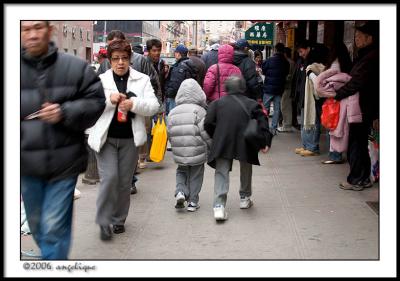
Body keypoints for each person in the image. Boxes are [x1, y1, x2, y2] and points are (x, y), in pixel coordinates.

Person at [21, 21, 106, 259]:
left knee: (54, 229)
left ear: (50, 30)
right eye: (26, 29)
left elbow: (97, 102)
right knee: (37, 226)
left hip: (64, 162)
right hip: (25, 164)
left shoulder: (76, 67)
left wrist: (64, 112)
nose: (33, 35)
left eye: (38, 27)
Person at [88, 39, 159, 241]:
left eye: (124, 58)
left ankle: (118, 220)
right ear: (109, 60)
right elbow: (90, 104)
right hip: (106, 138)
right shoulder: (101, 80)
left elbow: (153, 106)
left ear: (130, 60)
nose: (120, 62)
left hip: (130, 139)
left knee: (124, 182)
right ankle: (103, 219)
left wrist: (133, 103)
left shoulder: (142, 79)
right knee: (109, 178)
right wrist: (108, 101)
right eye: (116, 59)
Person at [204, 75, 273, 221]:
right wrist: (264, 142)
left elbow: (208, 123)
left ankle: (219, 206)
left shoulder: (216, 104)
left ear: (227, 87)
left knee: (221, 172)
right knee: (246, 167)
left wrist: (216, 135)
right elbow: (263, 122)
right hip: (245, 142)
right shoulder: (252, 104)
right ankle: (244, 198)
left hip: (223, 141)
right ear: (243, 88)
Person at [333, 21, 379, 191]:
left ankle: (357, 179)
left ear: (370, 38)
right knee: (359, 143)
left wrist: (337, 95)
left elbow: (357, 82)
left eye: (359, 36)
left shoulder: (372, 57)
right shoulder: (366, 55)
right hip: (363, 107)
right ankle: (363, 177)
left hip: (363, 108)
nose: (357, 39)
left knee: (357, 144)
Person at [167, 79, 211, 212]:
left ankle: (180, 191)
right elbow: (205, 132)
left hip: (179, 150)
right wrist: (211, 146)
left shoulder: (173, 112)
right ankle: (192, 201)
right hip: (197, 149)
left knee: (181, 170)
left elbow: (169, 132)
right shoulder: (200, 111)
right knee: (196, 174)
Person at [319, 38, 353, 164]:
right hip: (345, 99)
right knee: (341, 126)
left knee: (333, 125)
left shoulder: (334, 65)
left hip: (335, 100)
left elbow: (331, 83)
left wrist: (323, 88)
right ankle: (337, 154)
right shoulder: (347, 63)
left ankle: (335, 155)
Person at [261, 43, 290, 135]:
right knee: (277, 109)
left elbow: (264, 71)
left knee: (265, 108)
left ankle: (264, 128)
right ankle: (273, 129)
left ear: (275, 50)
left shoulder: (269, 60)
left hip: (268, 88)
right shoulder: (286, 62)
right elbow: (286, 73)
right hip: (279, 89)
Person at [165, 44, 196, 115]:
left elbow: (175, 85)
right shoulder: (189, 64)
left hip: (176, 98)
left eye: (175, 53)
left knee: (173, 117)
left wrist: (168, 92)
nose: (174, 54)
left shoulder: (179, 67)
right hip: (187, 97)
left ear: (178, 54)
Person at [277, 47, 296, 132]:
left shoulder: (289, 62)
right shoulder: (291, 62)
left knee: (285, 106)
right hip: (288, 87)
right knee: (285, 105)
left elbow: (289, 76)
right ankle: (286, 124)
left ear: (285, 54)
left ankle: (287, 125)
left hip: (288, 87)